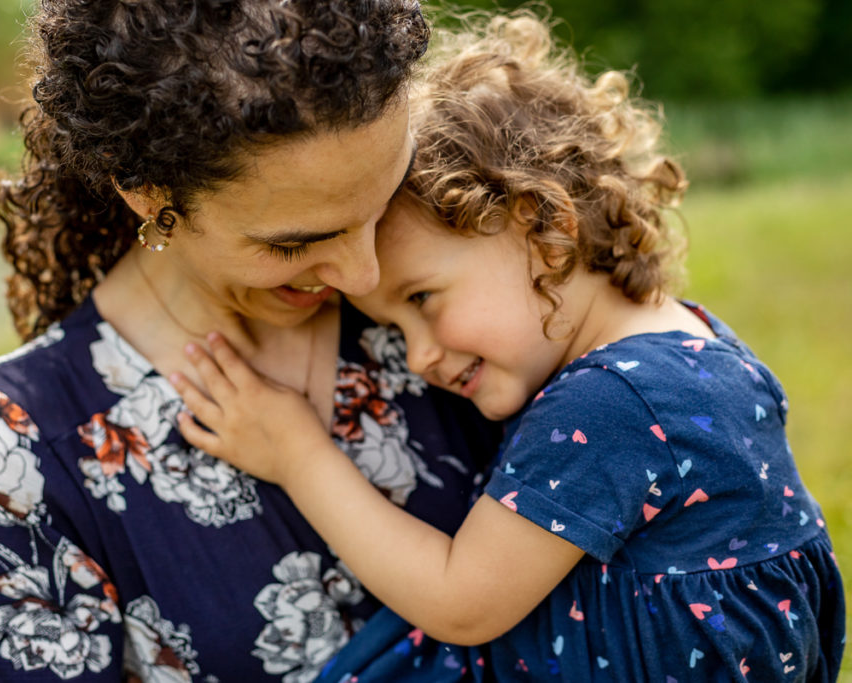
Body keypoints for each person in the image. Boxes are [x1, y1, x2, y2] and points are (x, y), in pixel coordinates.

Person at [171, 9, 846, 681]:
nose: (419, 356)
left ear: (539, 221)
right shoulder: (696, 343)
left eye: (422, 300)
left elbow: (460, 602)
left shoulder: (611, 402)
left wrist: (297, 453)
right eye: (398, 330)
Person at [0, 1, 502, 680]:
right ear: (150, 196)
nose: (365, 274)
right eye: (295, 242)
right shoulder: (17, 448)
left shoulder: (464, 274)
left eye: (383, 200)